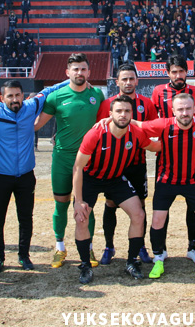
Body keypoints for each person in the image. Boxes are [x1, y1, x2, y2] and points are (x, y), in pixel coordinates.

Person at [0, 78, 67, 273]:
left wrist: (75, 81)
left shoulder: (31, 106)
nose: (14, 99)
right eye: (10, 96)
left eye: (18, 95)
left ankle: (23, 256)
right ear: (2, 98)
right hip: (1, 176)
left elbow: (51, 88)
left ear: (23, 96)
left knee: (25, 217)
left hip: (26, 176)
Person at [72, 96, 161, 284]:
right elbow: (78, 167)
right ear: (110, 114)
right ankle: (85, 265)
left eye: (127, 111)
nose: (123, 114)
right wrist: (78, 200)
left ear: (132, 114)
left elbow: (155, 146)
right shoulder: (96, 133)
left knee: (138, 214)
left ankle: (131, 261)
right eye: (119, 111)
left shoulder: (135, 133)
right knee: (82, 217)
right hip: (91, 178)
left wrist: (184, 134)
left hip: (115, 179)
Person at [138, 94, 195, 279]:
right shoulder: (162, 124)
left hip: (193, 180)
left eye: (188, 109)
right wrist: (108, 119)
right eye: (180, 109)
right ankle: (159, 259)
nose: (184, 113)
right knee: (157, 221)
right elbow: (138, 125)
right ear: (173, 111)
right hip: (167, 180)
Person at [35, 53, 105, 269]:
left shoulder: (97, 95)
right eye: (75, 69)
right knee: (61, 204)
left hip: (89, 160)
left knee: (87, 206)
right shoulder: (56, 97)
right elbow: (37, 125)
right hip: (63, 159)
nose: (79, 73)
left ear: (89, 72)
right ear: (67, 73)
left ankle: (89, 246)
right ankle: (60, 247)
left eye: (83, 69)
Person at [96, 65, 158, 266]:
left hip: (137, 164)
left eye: (132, 78)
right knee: (111, 204)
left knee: (139, 205)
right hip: (114, 165)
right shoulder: (107, 104)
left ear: (137, 80)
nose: (128, 82)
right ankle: (109, 246)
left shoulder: (146, 104)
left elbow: (153, 129)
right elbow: (99, 132)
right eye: (124, 79)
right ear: (117, 82)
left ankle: (140, 246)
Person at [150, 55, 195, 256]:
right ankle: (161, 248)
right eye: (174, 71)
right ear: (168, 73)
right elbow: (151, 119)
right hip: (165, 156)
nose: (178, 75)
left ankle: (192, 244)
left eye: (182, 71)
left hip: (190, 154)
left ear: (187, 72)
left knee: (194, 204)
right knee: (162, 206)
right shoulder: (158, 92)